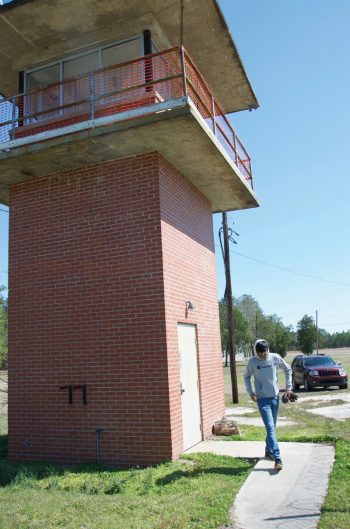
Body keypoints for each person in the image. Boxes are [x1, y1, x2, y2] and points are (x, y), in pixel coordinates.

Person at [244, 338, 293, 471]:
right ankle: (278, 458)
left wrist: (289, 388)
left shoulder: (275, 358)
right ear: (256, 352)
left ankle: (268, 450)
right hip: (262, 400)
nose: (263, 355)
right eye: (260, 353)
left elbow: (288, 370)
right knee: (271, 428)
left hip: (275, 398)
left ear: (267, 350)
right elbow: (246, 377)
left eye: (264, 352)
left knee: (272, 427)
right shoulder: (252, 362)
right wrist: (250, 392)